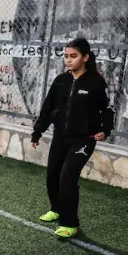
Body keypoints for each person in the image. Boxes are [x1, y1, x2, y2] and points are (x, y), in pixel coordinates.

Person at [31, 37, 114, 238]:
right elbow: (47, 107)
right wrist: (38, 131)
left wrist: (106, 129)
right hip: (61, 136)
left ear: (85, 58)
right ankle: (57, 209)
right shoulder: (61, 80)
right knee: (52, 175)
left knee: (67, 177)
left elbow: (107, 109)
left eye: (73, 56)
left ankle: (70, 223)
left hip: (83, 140)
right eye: (66, 56)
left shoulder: (96, 82)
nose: (68, 60)